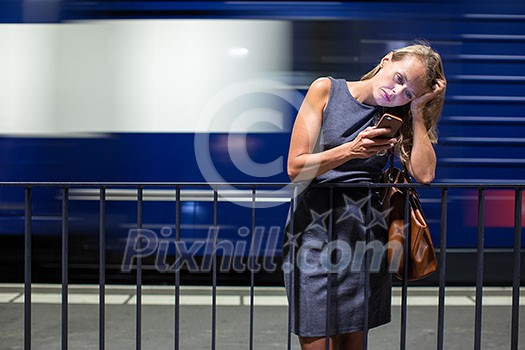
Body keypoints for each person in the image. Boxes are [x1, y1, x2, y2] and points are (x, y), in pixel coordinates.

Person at [283, 43, 446, 350]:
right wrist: (352, 150)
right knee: (315, 340)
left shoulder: (398, 114)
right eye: (399, 78)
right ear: (386, 60)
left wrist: (418, 110)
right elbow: (295, 167)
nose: (397, 92)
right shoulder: (326, 90)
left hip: (365, 237)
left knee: (352, 344)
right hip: (313, 236)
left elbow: (424, 174)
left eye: (409, 92)